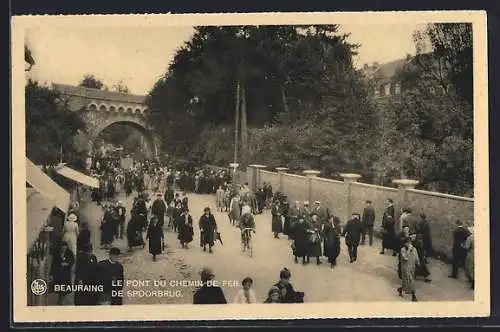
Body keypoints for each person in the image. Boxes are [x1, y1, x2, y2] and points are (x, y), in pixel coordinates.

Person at [397, 236, 420, 302]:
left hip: (412, 267)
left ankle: (400, 289)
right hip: (405, 267)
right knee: (410, 280)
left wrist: (418, 262)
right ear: (405, 243)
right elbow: (405, 258)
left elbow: (416, 256)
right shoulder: (403, 250)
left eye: (410, 242)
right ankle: (413, 296)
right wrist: (409, 250)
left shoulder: (414, 249)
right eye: (407, 243)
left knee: (407, 281)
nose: (409, 244)